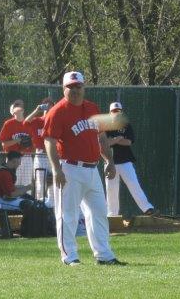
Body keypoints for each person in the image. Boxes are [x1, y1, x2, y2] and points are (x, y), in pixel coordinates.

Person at [43, 72, 126, 266]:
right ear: (63, 89)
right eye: (70, 87)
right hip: (69, 168)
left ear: (83, 87)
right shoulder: (57, 111)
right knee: (68, 215)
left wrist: (110, 161)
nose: (75, 90)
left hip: (92, 169)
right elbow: (49, 141)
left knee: (98, 212)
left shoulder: (92, 108)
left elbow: (102, 138)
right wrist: (56, 169)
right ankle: (69, 256)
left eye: (78, 86)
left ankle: (104, 255)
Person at [104, 101, 155, 216]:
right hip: (110, 162)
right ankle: (112, 215)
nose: (116, 113)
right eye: (113, 111)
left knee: (134, 184)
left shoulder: (126, 125)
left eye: (118, 111)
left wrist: (114, 140)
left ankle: (147, 208)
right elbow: (105, 143)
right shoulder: (105, 126)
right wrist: (118, 138)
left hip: (125, 161)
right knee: (111, 189)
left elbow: (128, 142)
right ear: (110, 112)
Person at [0, 99, 43, 186]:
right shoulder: (8, 124)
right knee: (13, 183)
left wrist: (31, 143)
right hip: (13, 157)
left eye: (20, 105)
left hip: (26, 157)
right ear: (12, 111)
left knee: (26, 184)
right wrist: (17, 140)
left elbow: (35, 143)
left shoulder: (28, 123)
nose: (18, 107)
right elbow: (4, 144)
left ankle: (25, 200)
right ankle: (14, 199)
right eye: (16, 105)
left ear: (23, 110)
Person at [24, 99, 55, 207]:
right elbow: (25, 122)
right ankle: (39, 205)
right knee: (40, 181)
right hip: (40, 155)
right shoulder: (37, 121)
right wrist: (36, 110)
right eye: (46, 106)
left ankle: (52, 204)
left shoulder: (54, 121)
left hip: (53, 155)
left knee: (53, 180)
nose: (48, 108)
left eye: (50, 106)